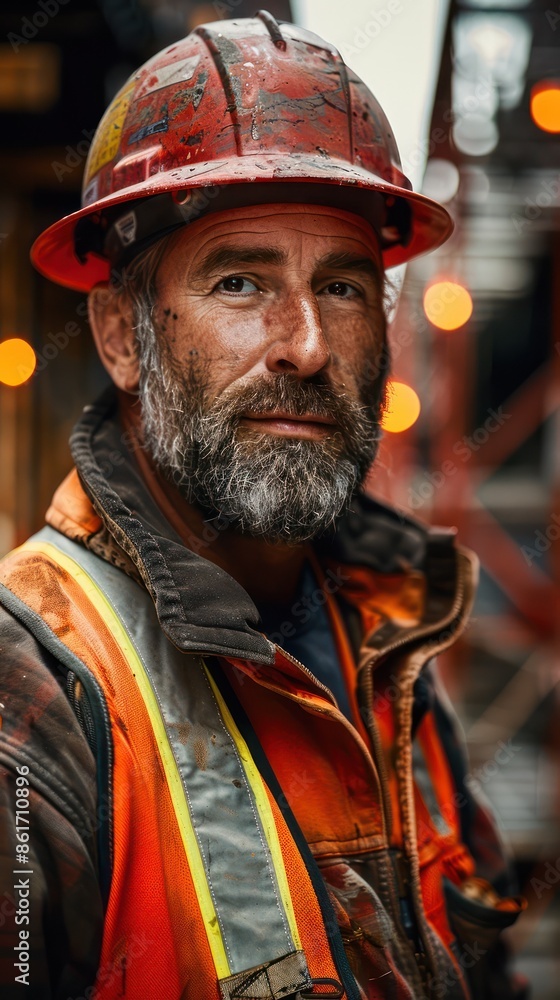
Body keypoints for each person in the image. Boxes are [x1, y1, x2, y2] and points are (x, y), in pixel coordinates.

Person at [0, 12, 526, 1000]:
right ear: (120, 335)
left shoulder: (391, 634)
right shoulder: (32, 697)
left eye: (340, 286)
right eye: (239, 281)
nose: (307, 346)